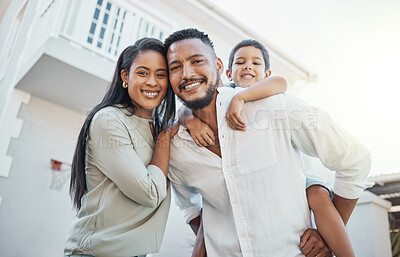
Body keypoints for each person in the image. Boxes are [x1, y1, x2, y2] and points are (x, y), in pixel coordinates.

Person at [164, 28, 372, 257]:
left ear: (219, 67)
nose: (186, 74)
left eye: (197, 61)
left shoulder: (274, 108)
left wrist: (326, 237)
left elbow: (355, 161)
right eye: (175, 67)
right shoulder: (175, 148)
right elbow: (190, 208)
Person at [64, 38, 177, 257]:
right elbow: (150, 193)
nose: (152, 82)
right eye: (143, 73)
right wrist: (164, 138)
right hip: (96, 253)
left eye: (160, 74)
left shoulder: (163, 125)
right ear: (126, 77)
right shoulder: (109, 120)